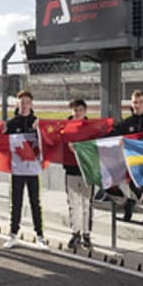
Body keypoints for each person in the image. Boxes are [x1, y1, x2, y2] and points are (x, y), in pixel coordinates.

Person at [2, 90, 47, 249]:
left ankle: (40, 236)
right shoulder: (11, 124)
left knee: (35, 203)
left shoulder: (38, 122)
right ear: (17, 104)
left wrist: (39, 130)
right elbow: (1, 143)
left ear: (31, 104)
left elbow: (48, 142)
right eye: (21, 102)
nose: (24, 105)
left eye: (27, 102)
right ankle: (13, 235)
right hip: (17, 170)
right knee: (16, 203)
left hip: (33, 170)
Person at [111, 89, 143, 224]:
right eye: (135, 102)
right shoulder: (126, 123)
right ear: (131, 104)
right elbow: (112, 135)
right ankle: (128, 203)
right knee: (108, 177)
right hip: (130, 162)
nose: (138, 105)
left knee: (134, 179)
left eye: (141, 102)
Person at [64, 98, 93, 250]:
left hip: (86, 170)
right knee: (73, 204)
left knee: (86, 204)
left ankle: (87, 234)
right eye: (75, 110)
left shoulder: (90, 127)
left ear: (85, 111)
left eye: (80, 110)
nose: (78, 113)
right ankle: (75, 233)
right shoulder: (65, 127)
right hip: (71, 169)